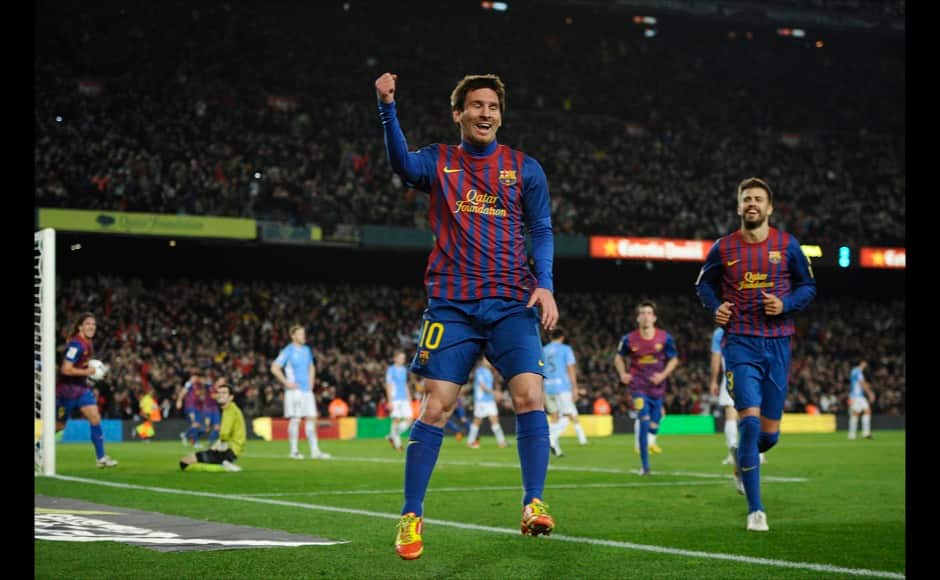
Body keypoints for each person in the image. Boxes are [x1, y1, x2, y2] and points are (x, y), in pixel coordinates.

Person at [376, 71, 559, 560]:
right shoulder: (439, 162)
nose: (485, 113)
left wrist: (545, 285)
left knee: (529, 396)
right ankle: (411, 515)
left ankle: (532, 501)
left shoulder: (525, 169)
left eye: (492, 107)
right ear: (458, 113)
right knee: (435, 406)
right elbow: (400, 163)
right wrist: (387, 106)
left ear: (501, 115)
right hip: (452, 306)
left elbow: (541, 230)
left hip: (511, 303)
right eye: (476, 105)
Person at [695, 176, 817, 532]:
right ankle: (756, 510)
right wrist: (715, 306)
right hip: (740, 342)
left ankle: (740, 460)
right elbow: (703, 283)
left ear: (769, 207)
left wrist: (785, 304)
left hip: (778, 342)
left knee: (769, 436)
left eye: (758, 199)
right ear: (738, 206)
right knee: (747, 420)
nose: (752, 203)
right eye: (746, 198)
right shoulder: (724, 247)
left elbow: (808, 286)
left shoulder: (787, 244)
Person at [614, 300, 679, 476]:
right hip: (638, 387)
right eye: (642, 313)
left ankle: (650, 438)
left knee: (654, 425)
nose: (645, 316)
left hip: (657, 389)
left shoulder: (665, 338)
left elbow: (674, 359)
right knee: (643, 421)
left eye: (649, 313)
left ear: (655, 317)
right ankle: (645, 466)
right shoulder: (629, 339)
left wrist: (663, 375)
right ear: (637, 318)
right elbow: (618, 358)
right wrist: (622, 374)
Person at [55, 312, 118, 468]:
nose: (92, 327)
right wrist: (88, 372)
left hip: (81, 389)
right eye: (88, 324)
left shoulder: (88, 343)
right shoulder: (76, 345)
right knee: (58, 426)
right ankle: (38, 449)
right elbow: (65, 369)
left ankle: (101, 458)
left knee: (95, 418)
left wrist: (96, 370)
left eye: (94, 324)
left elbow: (83, 365)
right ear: (80, 327)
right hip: (66, 391)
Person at [271, 324, 331, 460]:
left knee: (311, 418)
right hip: (294, 391)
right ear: (293, 336)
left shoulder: (307, 350)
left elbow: (311, 367)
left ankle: (315, 451)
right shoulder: (288, 351)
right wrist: (286, 383)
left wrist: (311, 382)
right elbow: (274, 367)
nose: (303, 336)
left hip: (306, 391)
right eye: (300, 334)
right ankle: (294, 451)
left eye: (304, 334)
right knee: (296, 420)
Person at [710, 327, 765, 468]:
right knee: (752, 413)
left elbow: (716, 357)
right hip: (753, 375)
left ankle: (733, 452)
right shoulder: (752, 325)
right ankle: (757, 453)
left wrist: (713, 380)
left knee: (731, 415)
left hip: (731, 375)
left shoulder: (720, 332)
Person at [179, 382, 246, 472]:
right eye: (219, 393)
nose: (220, 395)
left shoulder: (230, 410)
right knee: (194, 459)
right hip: (231, 450)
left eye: (224, 393)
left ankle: (223, 467)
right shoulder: (231, 409)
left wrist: (216, 447)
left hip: (227, 451)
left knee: (184, 463)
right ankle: (223, 464)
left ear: (231, 397)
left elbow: (224, 434)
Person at [542, 327, 587, 457]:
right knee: (567, 415)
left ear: (551, 337)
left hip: (547, 387)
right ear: (562, 337)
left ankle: (556, 449)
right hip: (561, 387)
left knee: (555, 418)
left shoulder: (543, 350)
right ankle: (550, 439)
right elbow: (570, 368)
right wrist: (575, 387)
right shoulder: (565, 349)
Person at [466, 357, 509, 449]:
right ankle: (470, 442)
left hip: (489, 400)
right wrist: (494, 393)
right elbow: (482, 386)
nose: (489, 362)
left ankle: (501, 442)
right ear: (482, 361)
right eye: (487, 360)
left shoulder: (489, 372)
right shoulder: (480, 371)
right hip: (481, 400)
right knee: (477, 421)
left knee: (494, 420)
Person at [385, 351, 414, 452]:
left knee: (410, 419)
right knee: (396, 420)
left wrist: (409, 398)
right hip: (395, 398)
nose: (403, 360)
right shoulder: (391, 370)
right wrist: (390, 401)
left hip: (404, 398)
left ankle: (391, 436)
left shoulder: (404, 370)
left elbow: (405, 384)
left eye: (404, 358)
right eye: (401, 358)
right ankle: (398, 445)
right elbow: (388, 385)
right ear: (395, 358)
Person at [177, 372, 207, 448]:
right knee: (195, 424)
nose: (194, 379)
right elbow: (183, 392)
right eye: (193, 378)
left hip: (197, 407)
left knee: (199, 426)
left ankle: (185, 435)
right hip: (190, 406)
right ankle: (195, 442)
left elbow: (200, 396)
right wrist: (179, 401)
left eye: (195, 378)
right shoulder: (189, 384)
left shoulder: (199, 386)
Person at [847, 360, 875, 440]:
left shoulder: (854, 371)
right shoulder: (857, 371)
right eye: (865, 363)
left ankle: (863, 433)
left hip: (858, 396)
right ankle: (854, 434)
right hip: (857, 396)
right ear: (862, 363)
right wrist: (870, 393)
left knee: (865, 411)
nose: (866, 365)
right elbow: (861, 383)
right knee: (857, 413)